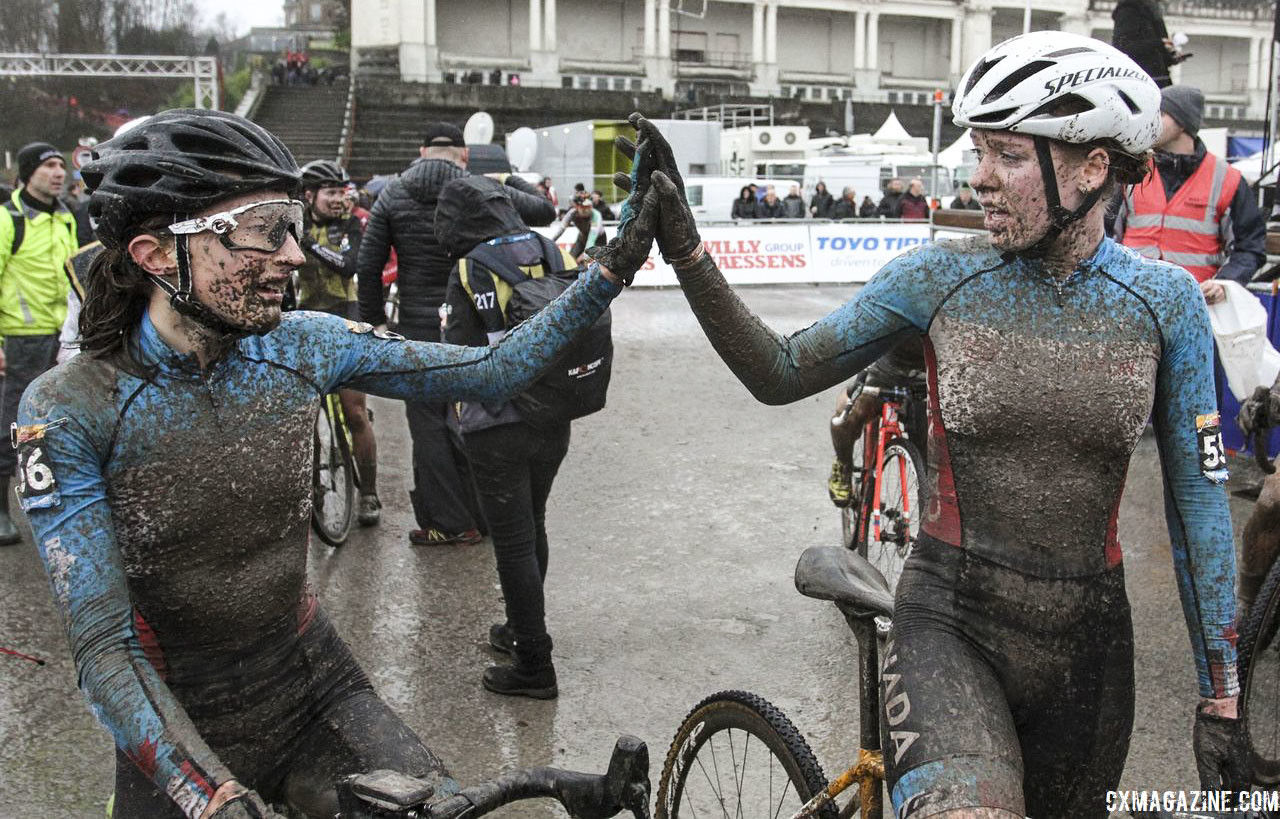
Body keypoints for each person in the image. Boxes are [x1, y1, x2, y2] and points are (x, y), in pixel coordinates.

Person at [628, 30, 1244, 815]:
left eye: (1006, 155)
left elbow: (1200, 507)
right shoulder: (937, 277)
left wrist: (1220, 694)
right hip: (954, 621)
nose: (977, 177)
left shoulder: (1167, 305)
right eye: (976, 150)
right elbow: (779, 370)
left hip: (1091, 648)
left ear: (1092, 169)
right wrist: (685, 248)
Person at [18, 108, 657, 819]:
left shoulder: (303, 344)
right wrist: (212, 797)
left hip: (313, 682)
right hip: (174, 725)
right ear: (157, 254)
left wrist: (612, 265)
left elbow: (496, 367)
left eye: (291, 227)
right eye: (265, 230)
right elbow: (104, 647)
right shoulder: (72, 405)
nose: (294, 256)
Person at [356, 122, 556, 546]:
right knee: (476, 415)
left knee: (426, 423)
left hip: (415, 326)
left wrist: (376, 323)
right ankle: (487, 516)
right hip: (472, 320)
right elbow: (543, 211)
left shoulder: (391, 194)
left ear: (421, 151)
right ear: (464, 155)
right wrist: (508, 177)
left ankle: (447, 522)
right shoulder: (480, 187)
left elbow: (369, 265)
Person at [436, 176, 588, 699]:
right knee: (534, 523)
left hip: (495, 423)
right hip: (554, 411)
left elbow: (456, 351)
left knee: (513, 541)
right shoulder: (550, 248)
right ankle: (519, 630)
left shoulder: (469, 265)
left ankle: (534, 665)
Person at [1111, 84, 1266, 304]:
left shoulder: (1227, 179)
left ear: (1182, 122)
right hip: (1130, 302)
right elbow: (1103, 235)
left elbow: (1250, 246)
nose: (1152, 123)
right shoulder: (1131, 172)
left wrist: (1224, 283)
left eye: (1161, 114)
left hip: (1194, 307)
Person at [294, 159, 382, 525]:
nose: (338, 199)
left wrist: (308, 246)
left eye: (342, 192)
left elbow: (348, 266)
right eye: (330, 193)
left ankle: (369, 493)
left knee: (355, 413)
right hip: (306, 322)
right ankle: (312, 486)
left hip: (346, 317)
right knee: (307, 419)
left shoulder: (350, 223)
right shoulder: (292, 225)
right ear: (310, 195)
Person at [0, 142, 77, 545]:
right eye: (49, 166)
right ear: (29, 172)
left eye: (61, 166)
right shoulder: (7, 219)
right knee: (12, 423)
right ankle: (1, 509)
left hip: (61, 337)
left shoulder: (66, 218)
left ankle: (49, 500)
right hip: (20, 338)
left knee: (52, 423)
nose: (59, 173)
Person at [1111, 0, 1178, 87]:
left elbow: (1157, 52)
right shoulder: (1128, 9)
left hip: (1158, 79)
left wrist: (1170, 57)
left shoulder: (1154, 12)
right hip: (1140, 81)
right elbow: (1123, 47)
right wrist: (1159, 44)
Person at [550, 192, 606, 261]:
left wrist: (585, 256)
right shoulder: (572, 213)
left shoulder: (596, 215)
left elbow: (591, 239)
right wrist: (549, 242)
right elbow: (560, 230)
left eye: (589, 206)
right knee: (570, 259)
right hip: (582, 238)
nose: (587, 210)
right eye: (584, 207)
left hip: (599, 240)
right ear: (576, 206)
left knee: (588, 261)